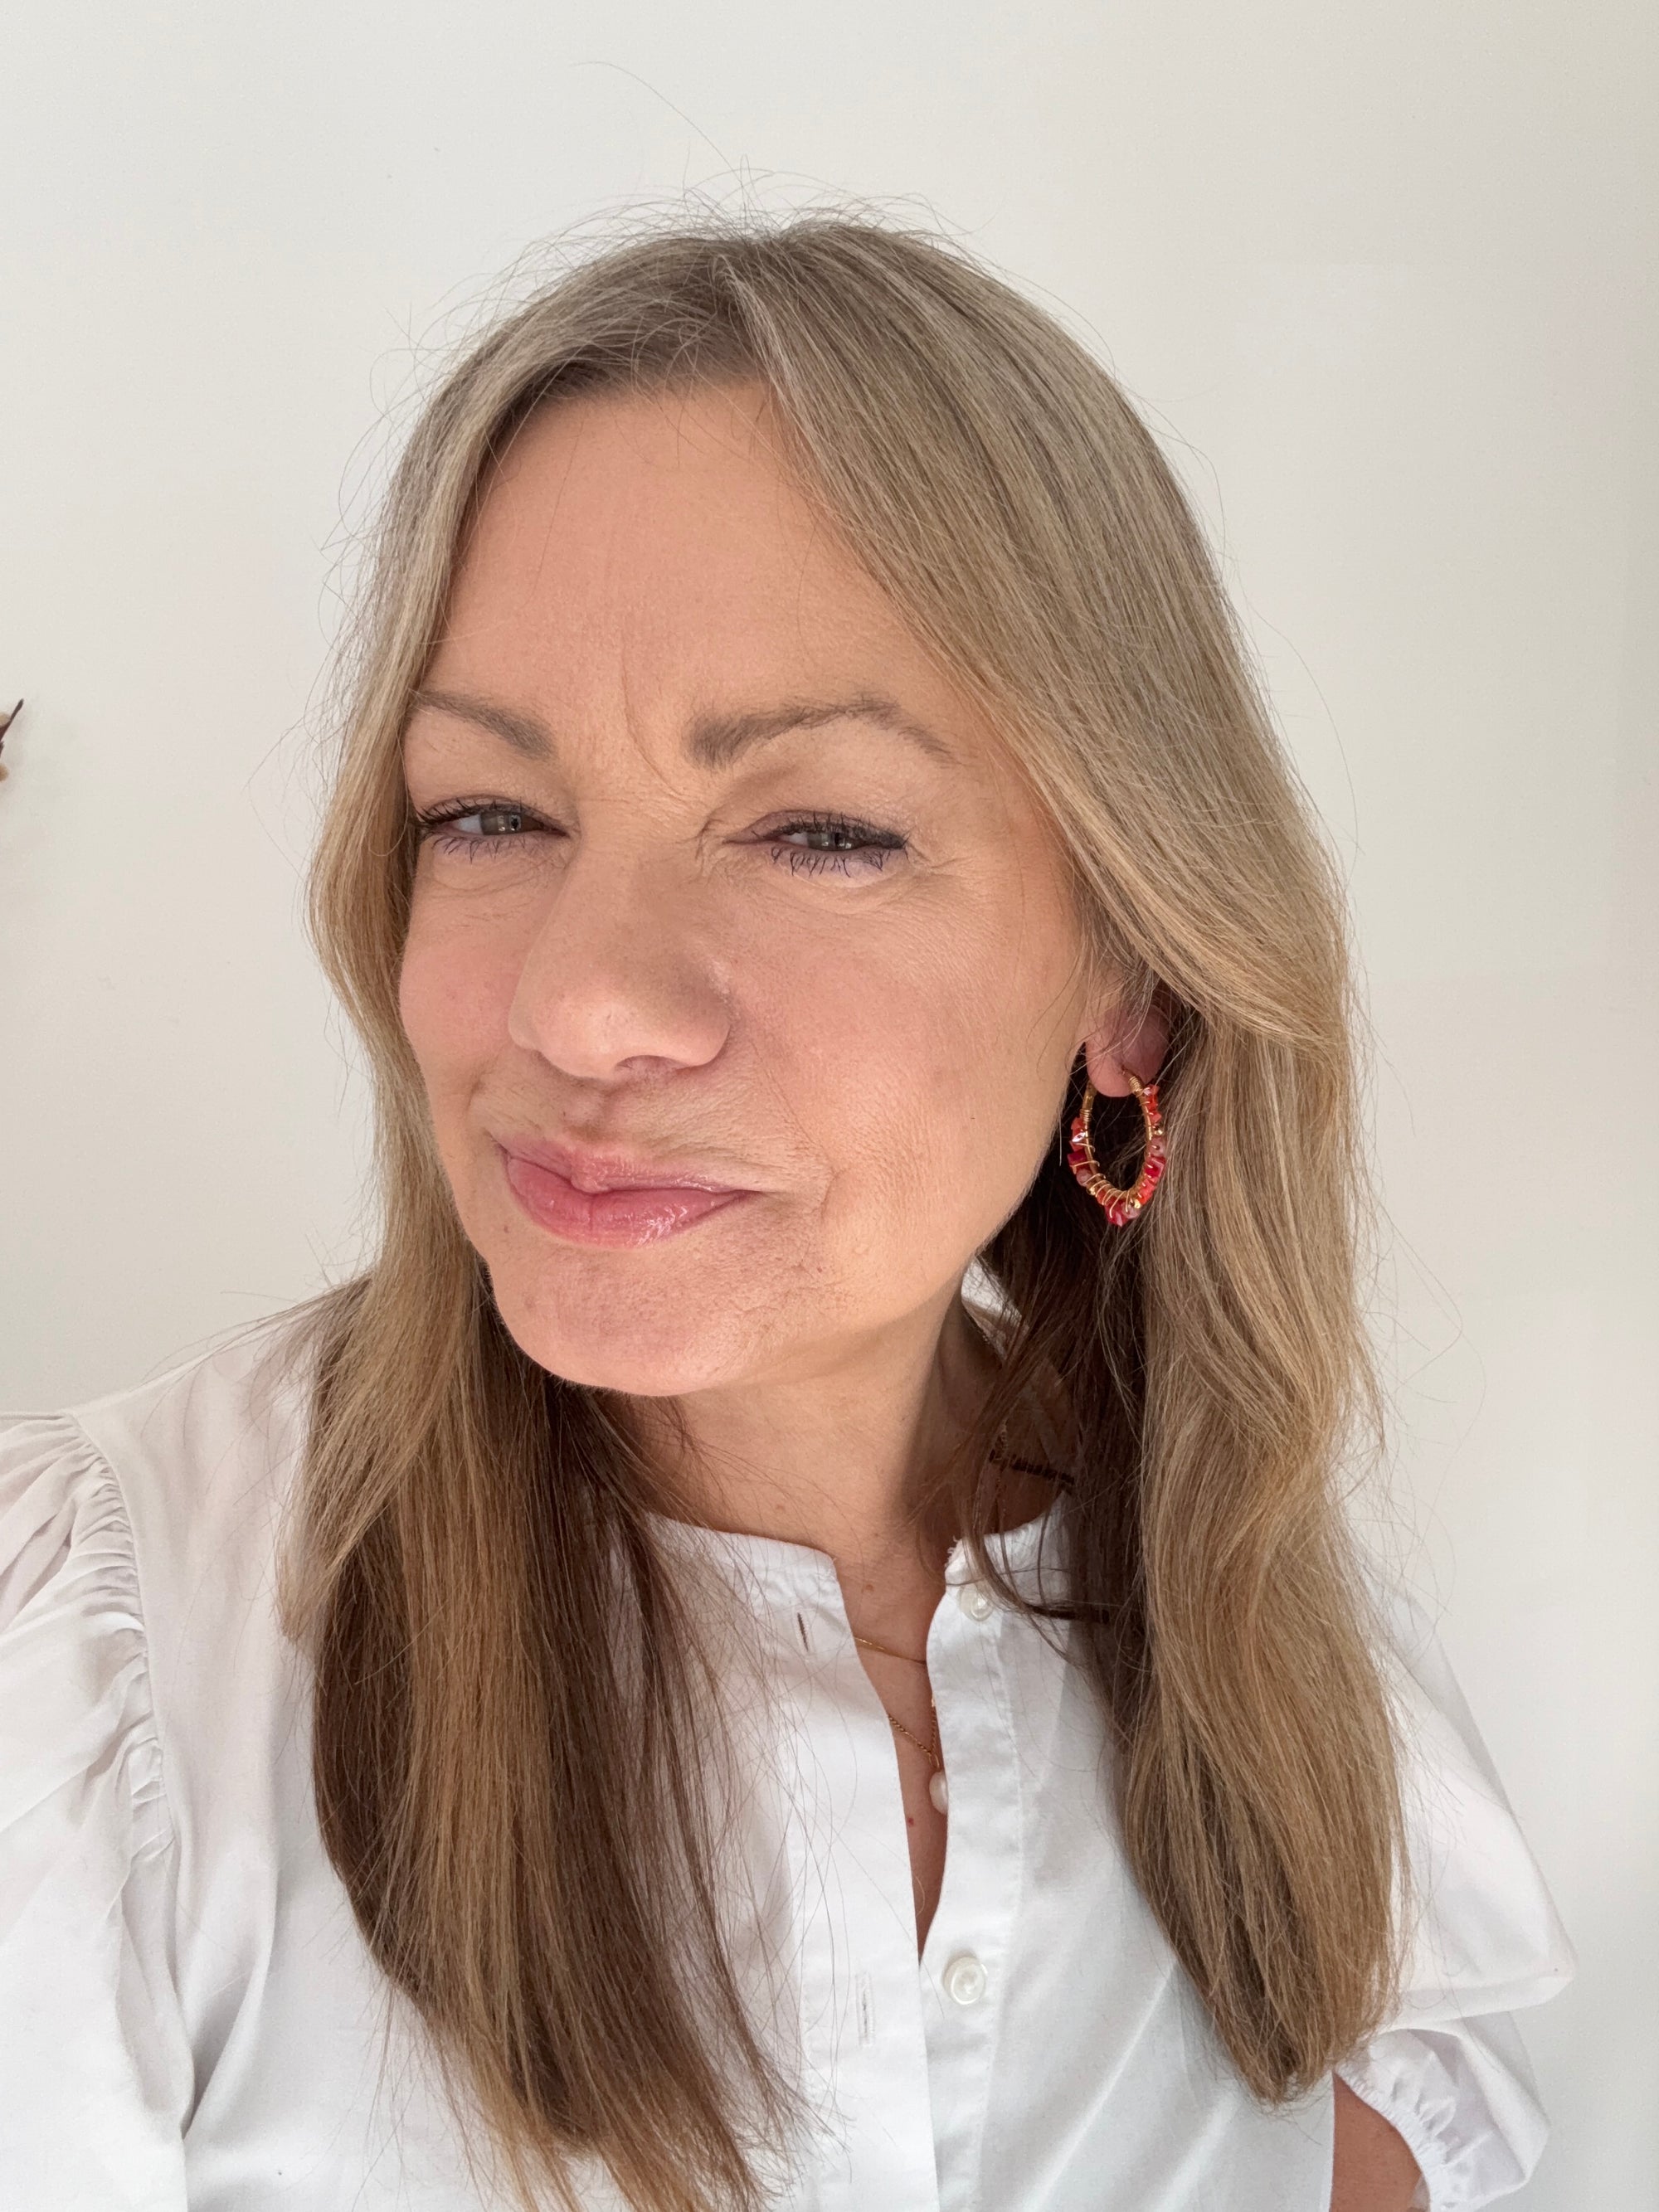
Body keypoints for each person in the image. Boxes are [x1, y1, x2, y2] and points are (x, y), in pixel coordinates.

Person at [0, 212, 1573, 2212]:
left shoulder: (1264, 1633)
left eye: (819, 831)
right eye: (488, 812)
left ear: (1133, 975)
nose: (580, 1003)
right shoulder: (102, 1676)